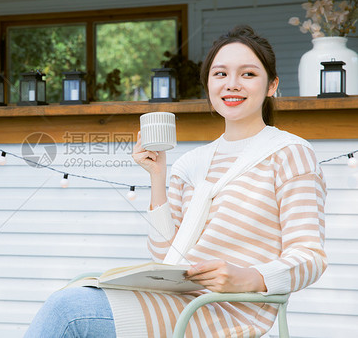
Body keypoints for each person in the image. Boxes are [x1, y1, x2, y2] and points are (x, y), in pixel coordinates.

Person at [24, 25, 327, 337]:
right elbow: (166, 258)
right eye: (220, 74)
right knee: (74, 296)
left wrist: (249, 277)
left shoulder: (290, 153)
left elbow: (309, 257)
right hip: (174, 300)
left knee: (69, 310)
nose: (232, 85)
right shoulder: (191, 164)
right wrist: (158, 177)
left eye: (248, 74)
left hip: (225, 313)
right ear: (208, 84)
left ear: (271, 85)